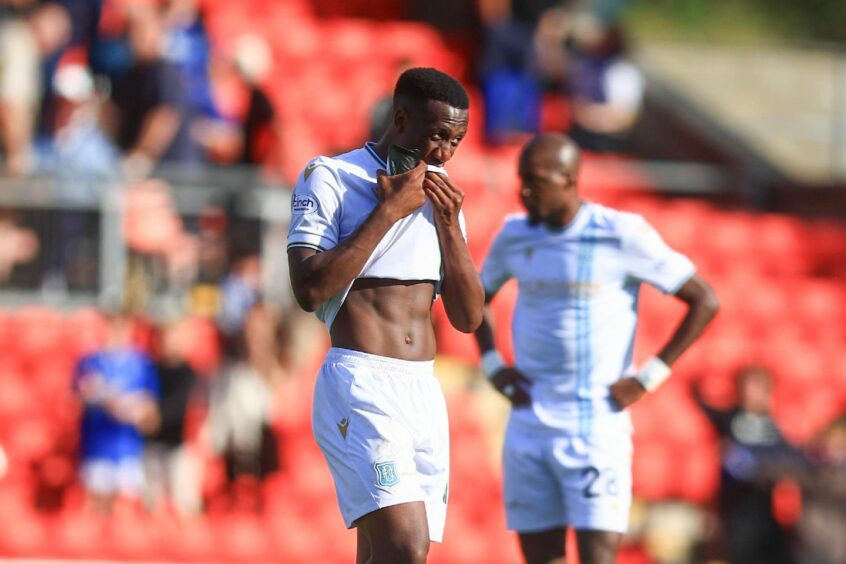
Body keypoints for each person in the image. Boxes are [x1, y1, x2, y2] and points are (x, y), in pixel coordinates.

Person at [473, 133, 719, 564]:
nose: (524, 191)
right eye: (521, 180)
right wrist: (493, 364)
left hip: (595, 426)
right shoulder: (514, 234)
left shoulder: (619, 233)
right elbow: (476, 301)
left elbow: (705, 300)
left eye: (536, 180)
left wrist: (647, 378)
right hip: (529, 423)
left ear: (568, 179)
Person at [286, 67, 483, 563]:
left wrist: (450, 230)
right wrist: (388, 212)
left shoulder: (445, 201)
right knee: (406, 546)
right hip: (361, 382)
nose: (444, 153)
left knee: (382, 555)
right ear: (400, 118)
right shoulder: (333, 175)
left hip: (422, 390)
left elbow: (468, 318)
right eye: (438, 135)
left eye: (455, 142)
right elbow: (309, 289)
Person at [693, 365, 798, 564]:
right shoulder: (730, 418)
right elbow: (698, 399)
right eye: (747, 386)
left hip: (762, 508)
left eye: (758, 387)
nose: (751, 392)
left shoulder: (773, 425)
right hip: (733, 509)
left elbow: (790, 458)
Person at [73, 309, 160, 514]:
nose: (117, 331)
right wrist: (103, 401)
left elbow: (152, 411)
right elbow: (75, 398)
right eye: (113, 325)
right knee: (97, 509)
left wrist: (136, 411)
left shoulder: (142, 363)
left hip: (129, 449)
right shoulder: (90, 362)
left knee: (126, 511)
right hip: (98, 446)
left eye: (123, 326)